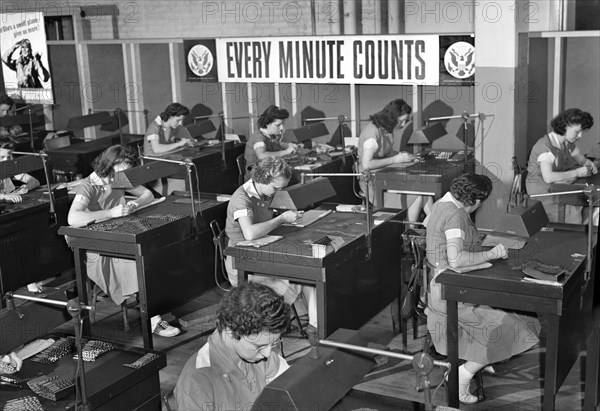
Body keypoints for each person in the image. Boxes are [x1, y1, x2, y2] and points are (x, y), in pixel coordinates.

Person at [424, 174, 540, 404]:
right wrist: (491, 254)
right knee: (520, 325)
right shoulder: (455, 215)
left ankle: (481, 359)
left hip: (441, 287)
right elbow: (455, 260)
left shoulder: (441, 204)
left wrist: (480, 250)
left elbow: (433, 230)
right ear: (475, 200)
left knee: (515, 314)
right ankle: (462, 375)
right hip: (450, 296)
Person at [67, 144, 180, 337]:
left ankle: (154, 305)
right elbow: (73, 219)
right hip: (97, 245)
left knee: (155, 251)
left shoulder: (117, 178)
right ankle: (153, 319)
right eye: (124, 168)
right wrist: (110, 212)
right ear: (111, 164)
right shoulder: (89, 185)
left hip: (119, 232)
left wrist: (136, 203)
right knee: (140, 260)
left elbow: (148, 194)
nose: (126, 173)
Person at [224, 158, 317, 331]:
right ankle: (277, 321)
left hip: (263, 252)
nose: (277, 192)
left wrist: (287, 213)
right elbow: (250, 233)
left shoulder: (264, 192)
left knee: (308, 273)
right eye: (275, 188)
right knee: (301, 275)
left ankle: (314, 327)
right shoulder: (241, 198)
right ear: (262, 179)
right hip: (243, 261)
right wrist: (281, 219)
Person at [175, 282, 290, 410]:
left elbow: (290, 382)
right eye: (259, 346)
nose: (267, 353)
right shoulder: (198, 381)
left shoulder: (257, 356)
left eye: (273, 343)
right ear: (230, 331)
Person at [357, 98, 432, 222]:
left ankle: (435, 227)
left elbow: (385, 151)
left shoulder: (387, 129)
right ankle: (410, 231)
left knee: (426, 191)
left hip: (386, 177)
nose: (403, 125)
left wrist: (404, 156)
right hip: (374, 185)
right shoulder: (372, 133)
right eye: (402, 121)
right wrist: (395, 159)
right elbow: (366, 164)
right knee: (418, 196)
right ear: (393, 117)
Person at [526, 108, 597, 224]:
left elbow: (581, 159)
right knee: (577, 210)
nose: (580, 136)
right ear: (565, 126)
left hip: (559, 189)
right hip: (544, 194)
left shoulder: (567, 144)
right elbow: (548, 177)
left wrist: (589, 163)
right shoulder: (545, 146)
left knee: (586, 203)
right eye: (577, 131)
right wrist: (577, 173)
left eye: (582, 132)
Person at [144, 102, 195, 196]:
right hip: (153, 162)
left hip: (166, 158)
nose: (180, 123)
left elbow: (189, 139)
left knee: (193, 161)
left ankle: (190, 192)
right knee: (189, 166)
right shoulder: (154, 127)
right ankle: (184, 193)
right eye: (178, 120)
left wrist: (189, 141)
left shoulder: (174, 126)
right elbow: (157, 149)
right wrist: (179, 143)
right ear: (170, 116)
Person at [243, 105, 299, 180]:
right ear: (267, 123)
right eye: (278, 125)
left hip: (269, 173)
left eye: (282, 124)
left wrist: (288, 145)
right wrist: (286, 151)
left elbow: (275, 143)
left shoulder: (270, 136)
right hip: (258, 179)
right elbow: (262, 156)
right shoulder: (258, 137)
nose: (281, 128)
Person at [0, 138, 40, 204]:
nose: (6, 160)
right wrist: (4, 196)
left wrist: (24, 189)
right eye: (2, 157)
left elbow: (35, 182)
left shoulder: (9, 167)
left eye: (8, 157)